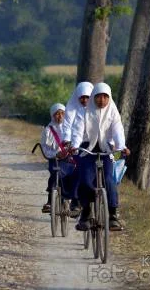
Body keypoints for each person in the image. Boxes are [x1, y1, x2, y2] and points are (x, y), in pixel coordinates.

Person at [69, 83, 130, 231]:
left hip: (105, 149)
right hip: (86, 149)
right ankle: (86, 212)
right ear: (93, 98)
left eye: (105, 97)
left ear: (109, 98)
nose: (101, 100)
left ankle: (113, 214)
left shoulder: (113, 113)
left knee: (109, 179)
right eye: (98, 96)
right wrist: (74, 145)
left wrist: (122, 146)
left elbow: (118, 131)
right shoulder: (83, 113)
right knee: (85, 180)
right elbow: (77, 131)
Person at [62, 81, 94, 215]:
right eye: (82, 97)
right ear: (77, 97)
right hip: (78, 144)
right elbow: (67, 126)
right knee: (77, 170)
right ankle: (75, 200)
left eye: (87, 97)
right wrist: (68, 142)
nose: (85, 100)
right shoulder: (72, 108)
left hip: (96, 143)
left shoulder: (98, 107)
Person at [40, 103, 78, 214]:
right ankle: (50, 200)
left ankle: (75, 201)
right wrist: (57, 154)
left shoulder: (72, 129)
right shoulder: (48, 131)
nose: (60, 116)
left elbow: (77, 144)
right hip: (55, 160)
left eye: (62, 113)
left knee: (76, 175)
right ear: (52, 115)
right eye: (57, 114)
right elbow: (45, 149)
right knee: (55, 173)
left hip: (69, 160)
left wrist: (71, 151)